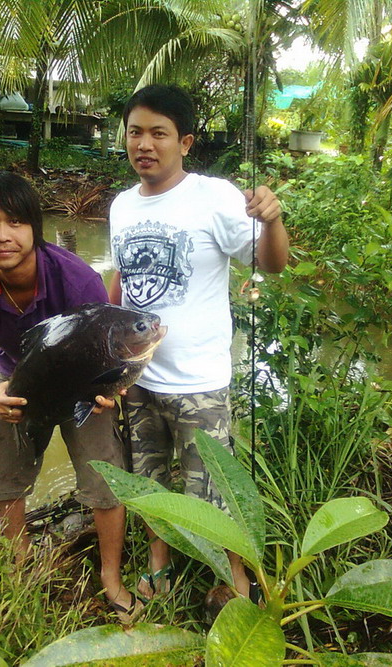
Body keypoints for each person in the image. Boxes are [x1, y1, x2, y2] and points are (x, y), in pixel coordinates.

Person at [108, 84, 289, 600]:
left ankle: (230, 581)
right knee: (147, 480)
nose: (144, 143)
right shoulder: (122, 205)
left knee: (214, 488)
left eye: (158, 133)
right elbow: (121, 279)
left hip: (200, 381)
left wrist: (272, 219)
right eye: (135, 132)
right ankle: (159, 567)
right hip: (140, 375)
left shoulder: (215, 196)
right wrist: (108, 346)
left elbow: (271, 264)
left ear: (184, 142)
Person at [0, 171, 140, 621]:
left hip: (82, 389)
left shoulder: (77, 279)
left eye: (15, 222)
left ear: (33, 226)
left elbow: (114, 349)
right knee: (4, 480)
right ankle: (20, 565)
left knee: (105, 482)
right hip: (17, 383)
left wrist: (113, 388)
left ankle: (111, 577)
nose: (1, 236)